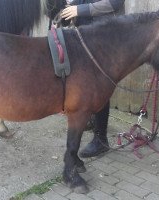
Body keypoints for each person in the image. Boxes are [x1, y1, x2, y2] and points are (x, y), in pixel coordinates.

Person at [61, 0, 125, 158]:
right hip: (85, 34)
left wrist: (79, 9)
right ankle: (90, 119)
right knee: (86, 84)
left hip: (104, 37)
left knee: (100, 85)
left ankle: (101, 139)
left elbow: (114, 3)